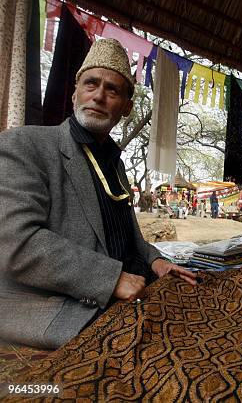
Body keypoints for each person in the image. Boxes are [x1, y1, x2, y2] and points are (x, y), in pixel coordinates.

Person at [0, 38, 196, 349]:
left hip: (127, 296)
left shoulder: (115, 164)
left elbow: (128, 237)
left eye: (113, 90)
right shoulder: (25, 144)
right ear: (76, 91)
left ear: (127, 108)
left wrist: (156, 261)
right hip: (59, 308)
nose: (99, 96)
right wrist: (112, 279)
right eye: (91, 84)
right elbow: (15, 242)